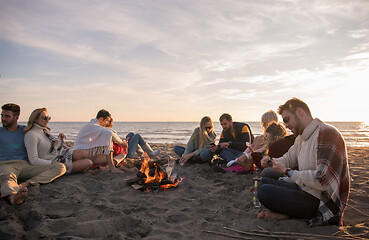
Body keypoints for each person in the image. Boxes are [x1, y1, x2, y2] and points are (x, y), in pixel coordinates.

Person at [257, 98, 350, 227]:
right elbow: (288, 158)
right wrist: (270, 161)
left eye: (286, 119)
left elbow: (322, 180)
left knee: (264, 192)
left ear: (300, 112)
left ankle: (292, 214)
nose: (285, 125)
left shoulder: (326, 134)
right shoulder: (301, 137)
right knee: (264, 180)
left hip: (320, 200)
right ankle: (289, 213)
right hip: (305, 189)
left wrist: (287, 172)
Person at [0, 103, 66, 205]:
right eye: (2, 116)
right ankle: (13, 197)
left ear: (16, 118)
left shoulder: (26, 131)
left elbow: (43, 137)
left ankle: (26, 184)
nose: (3, 119)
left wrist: (59, 139)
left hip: (27, 165)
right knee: (8, 179)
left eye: (7, 116)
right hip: (7, 164)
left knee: (60, 167)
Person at [24, 108, 93, 174]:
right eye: (44, 118)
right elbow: (33, 160)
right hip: (54, 161)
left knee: (84, 153)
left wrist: (59, 139)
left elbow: (52, 148)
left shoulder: (45, 131)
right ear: (35, 119)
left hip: (60, 154)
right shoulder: (31, 135)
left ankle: (81, 166)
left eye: (48, 118)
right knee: (88, 162)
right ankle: (75, 167)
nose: (47, 120)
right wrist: (53, 163)